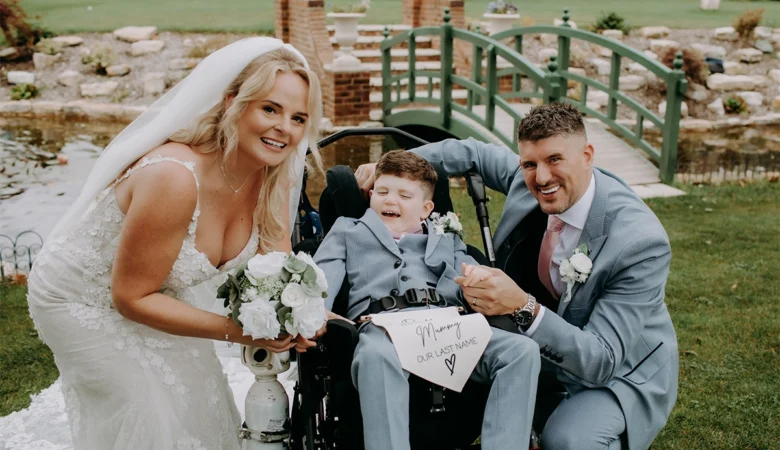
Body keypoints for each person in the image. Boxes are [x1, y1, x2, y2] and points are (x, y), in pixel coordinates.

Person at [26, 38, 324, 449]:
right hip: (79, 298)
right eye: (270, 109)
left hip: (157, 289)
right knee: (150, 410)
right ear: (233, 103)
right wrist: (243, 332)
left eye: (298, 118)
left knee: (200, 400)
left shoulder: (274, 177)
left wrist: (302, 317)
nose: (284, 128)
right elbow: (131, 298)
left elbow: (278, 265)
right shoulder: (175, 178)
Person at [355, 103, 678, 450]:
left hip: (619, 371)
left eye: (555, 159)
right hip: (537, 352)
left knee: (567, 441)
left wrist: (522, 306)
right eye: (529, 164)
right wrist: (389, 169)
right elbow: (470, 152)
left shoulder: (639, 243)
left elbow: (601, 361)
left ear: (587, 155)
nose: (542, 178)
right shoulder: (529, 179)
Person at [313, 150, 540, 450]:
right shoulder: (348, 230)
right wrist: (320, 311)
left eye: (404, 195)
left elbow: (471, 276)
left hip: (447, 324)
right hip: (385, 326)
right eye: (382, 192)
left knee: (522, 351)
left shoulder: (446, 236)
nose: (390, 201)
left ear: (426, 209)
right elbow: (320, 282)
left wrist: (477, 279)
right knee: (375, 355)